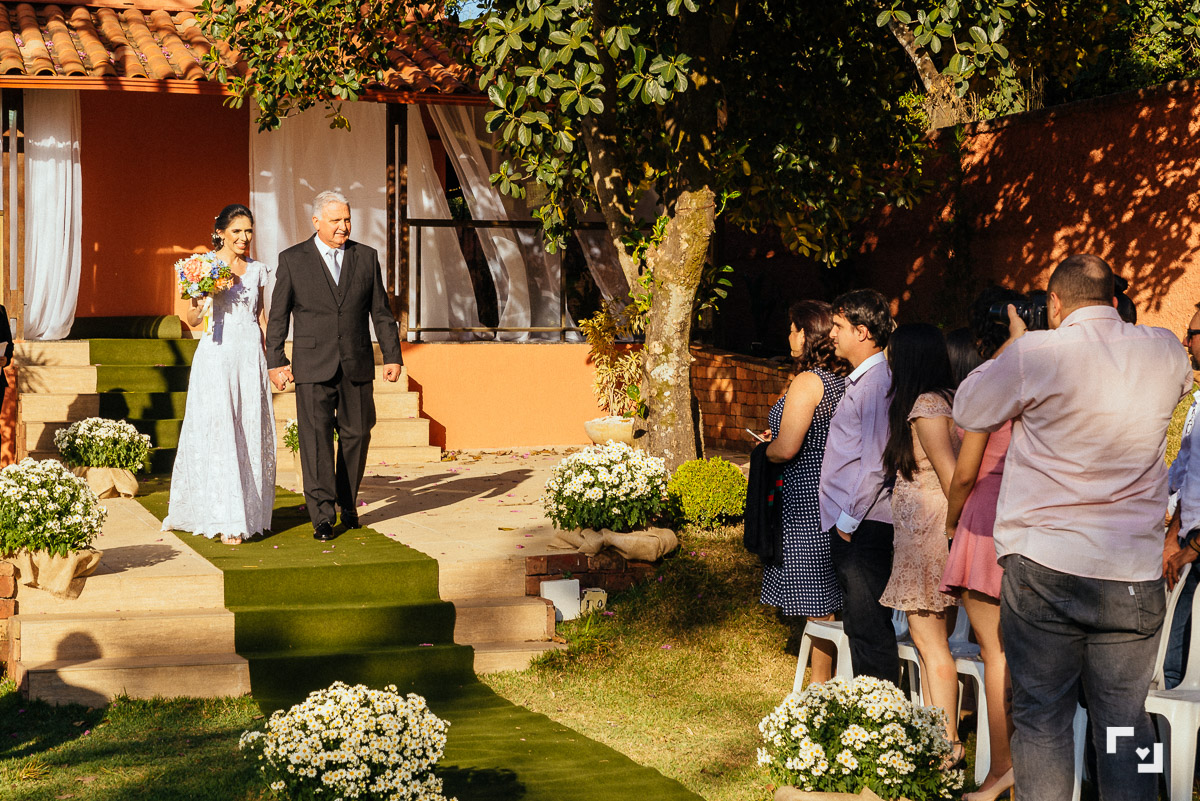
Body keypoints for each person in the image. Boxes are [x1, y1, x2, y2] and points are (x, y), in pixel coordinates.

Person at [954, 254, 1193, 801]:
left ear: (1054, 304)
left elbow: (968, 406)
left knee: (1041, 718)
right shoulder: (1162, 348)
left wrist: (1017, 340)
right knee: (1125, 724)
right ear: (1112, 299)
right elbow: (1178, 383)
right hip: (1131, 571)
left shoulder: (1036, 353)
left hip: (1045, 565)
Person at [266, 190, 404, 542]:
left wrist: (391, 356)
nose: (344, 226)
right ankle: (322, 515)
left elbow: (381, 312)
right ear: (316, 222)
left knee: (358, 433)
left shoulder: (366, 256)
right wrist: (276, 361)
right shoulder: (293, 260)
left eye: (347, 219)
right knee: (314, 441)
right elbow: (278, 316)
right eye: (336, 220)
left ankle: (347, 499)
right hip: (312, 365)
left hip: (356, 363)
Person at [940, 287, 1026, 801]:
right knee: (1019, 653)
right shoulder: (1041, 378)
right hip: (1030, 515)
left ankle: (1000, 770)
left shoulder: (987, 383)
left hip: (984, 516)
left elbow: (965, 471)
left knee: (996, 652)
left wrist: (952, 523)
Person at [164, 205, 276, 545]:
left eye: (249, 231)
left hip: (249, 357)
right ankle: (226, 518)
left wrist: (274, 362)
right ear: (221, 233)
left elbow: (260, 318)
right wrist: (201, 301)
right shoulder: (204, 265)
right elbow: (195, 320)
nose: (244, 238)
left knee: (247, 429)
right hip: (217, 355)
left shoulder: (258, 270)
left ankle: (249, 512)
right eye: (237, 231)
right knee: (220, 431)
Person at [879, 323, 963, 765]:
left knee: (931, 644)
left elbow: (951, 479)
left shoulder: (928, 405)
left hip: (930, 534)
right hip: (925, 534)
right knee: (930, 644)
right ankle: (936, 739)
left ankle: (946, 745)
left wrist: (948, 534)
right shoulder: (944, 400)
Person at [760, 300, 849, 683]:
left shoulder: (809, 381)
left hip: (806, 493)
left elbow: (788, 446)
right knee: (827, 590)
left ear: (808, 334)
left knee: (818, 597)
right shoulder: (841, 379)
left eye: (794, 328)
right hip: (832, 489)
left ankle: (820, 684)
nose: (789, 335)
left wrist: (765, 449)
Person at [819, 288, 898, 685]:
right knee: (860, 626)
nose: (831, 334)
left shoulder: (875, 384)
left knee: (869, 629)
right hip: (854, 523)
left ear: (863, 331)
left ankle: (885, 723)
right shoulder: (864, 381)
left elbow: (876, 463)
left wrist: (847, 522)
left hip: (863, 524)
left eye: (838, 325)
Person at [1163, 301, 1200, 689]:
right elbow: (1187, 477)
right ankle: (1163, 751)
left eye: (1193, 335)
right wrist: (1173, 535)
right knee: (1173, 669)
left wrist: (1196, 544)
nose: (1186, 342)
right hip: (1188, 546)